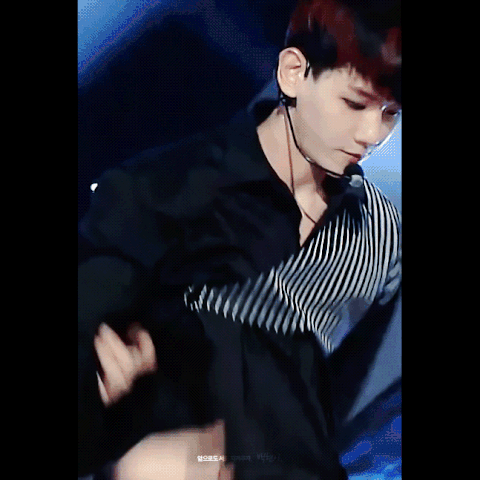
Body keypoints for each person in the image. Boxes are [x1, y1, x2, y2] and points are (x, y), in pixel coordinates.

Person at [78, 0, 402, 478]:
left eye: (391, 113)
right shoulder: (155, 195)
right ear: (294, 73)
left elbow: (333, 407)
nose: (373, 133)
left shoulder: (380, 239)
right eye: (355, 103)